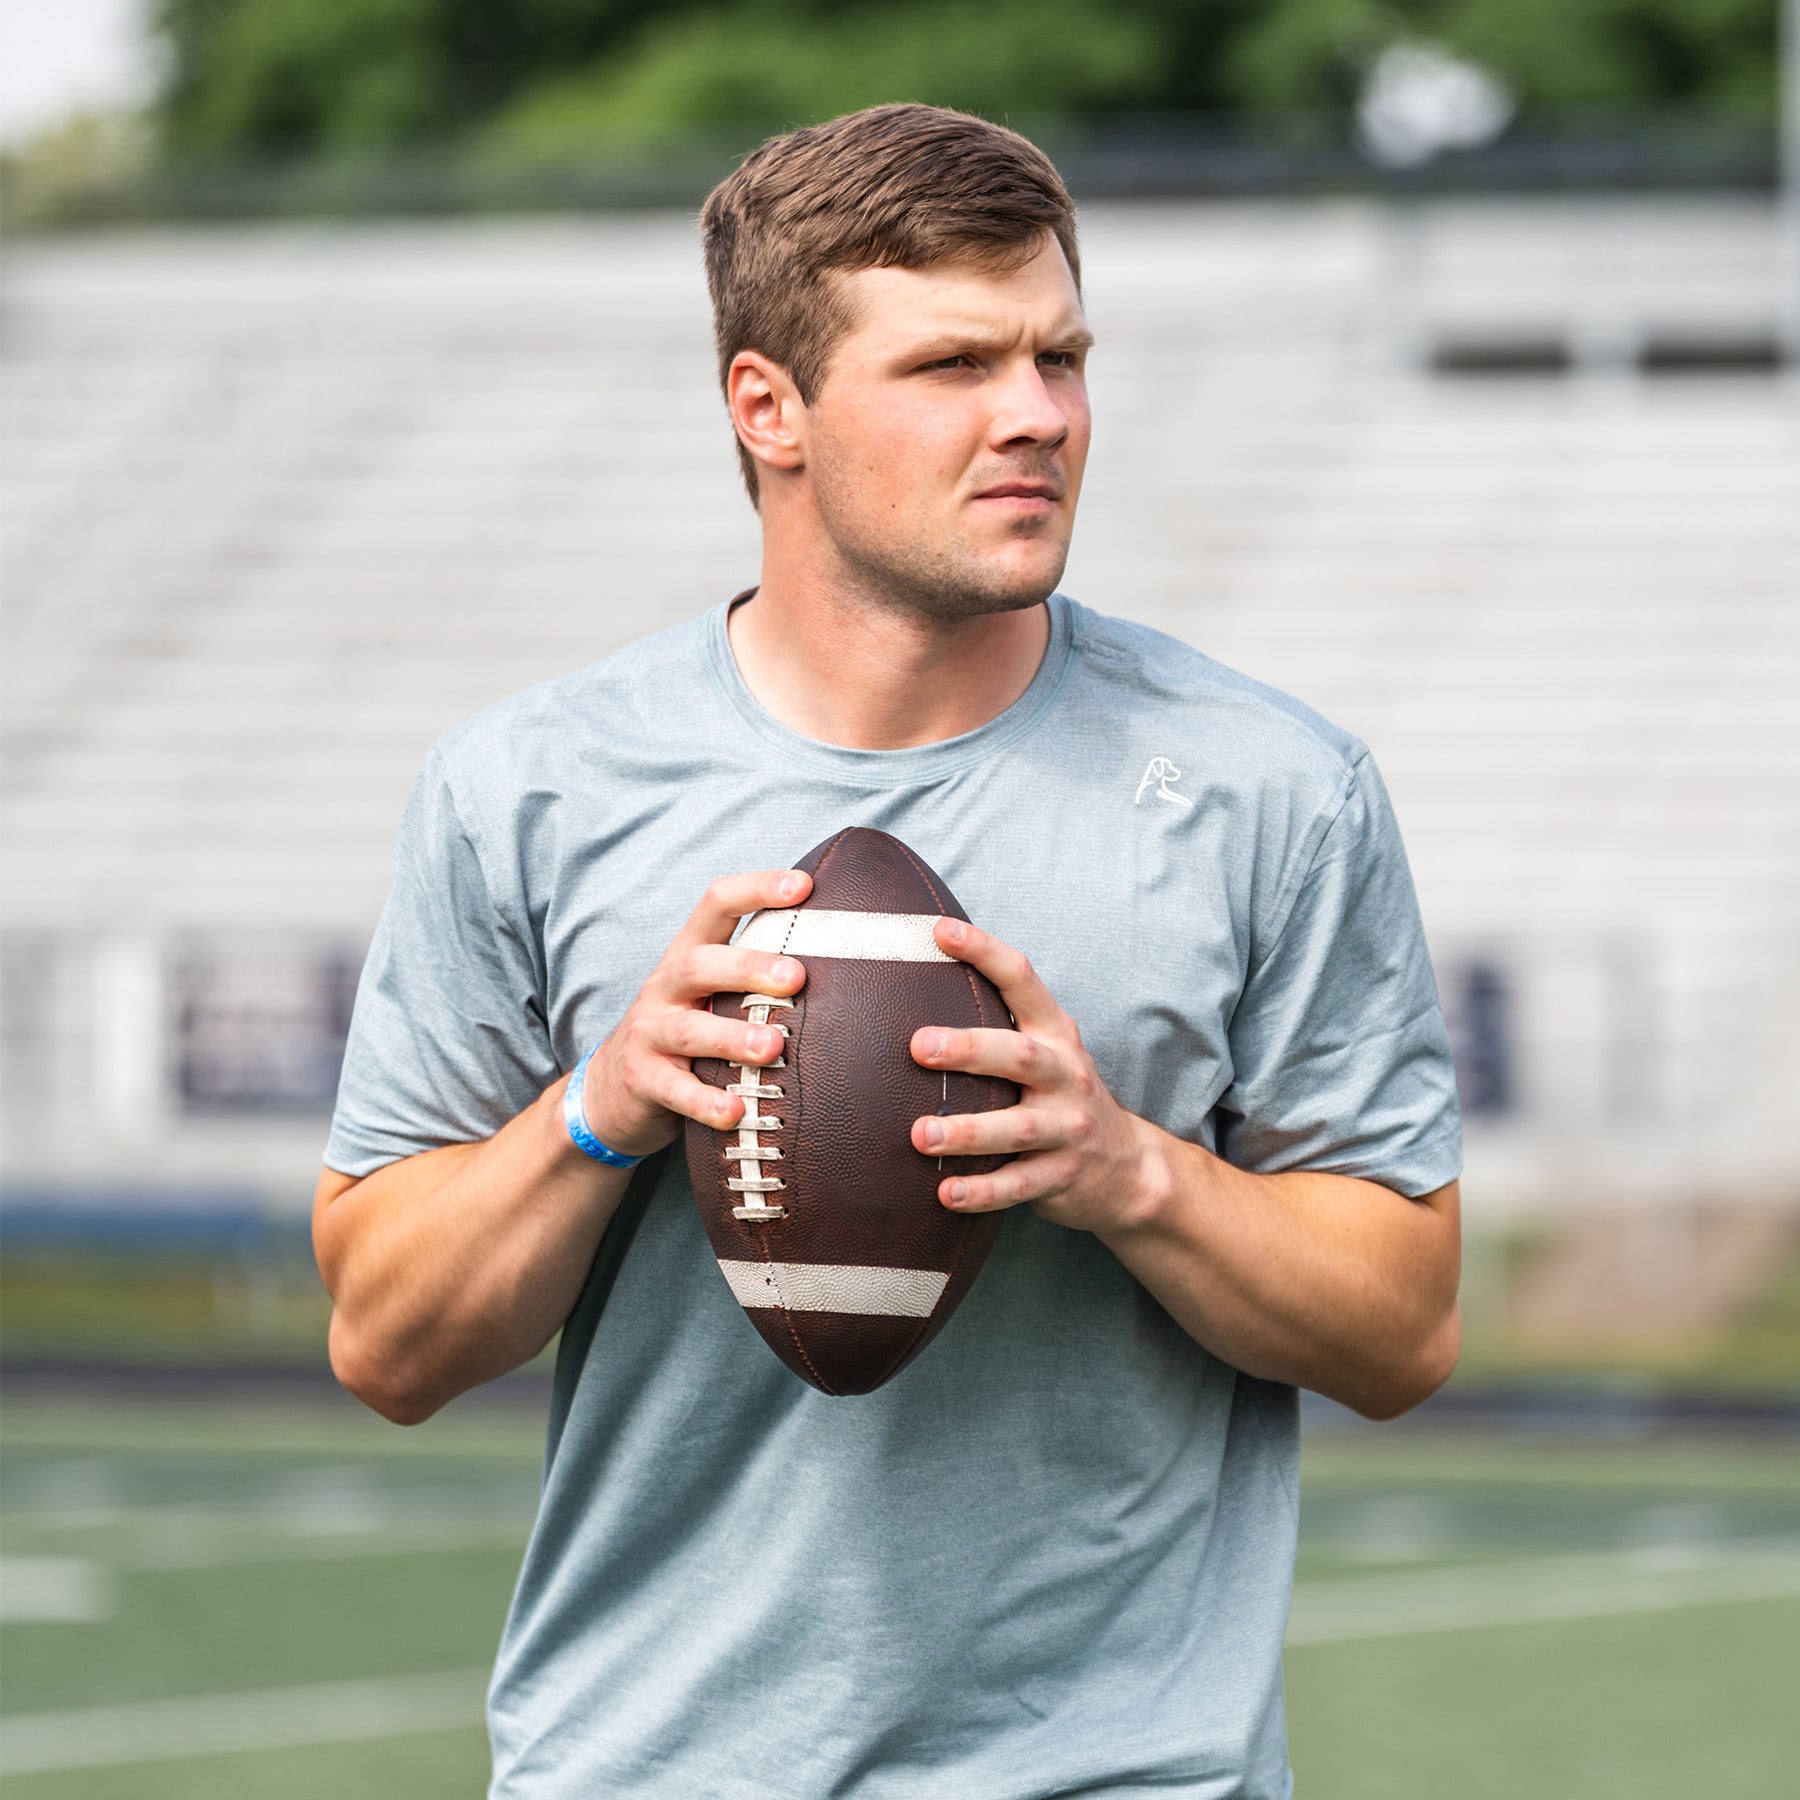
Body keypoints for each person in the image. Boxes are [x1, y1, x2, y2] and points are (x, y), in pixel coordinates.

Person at [314, 102, 1462, 1800]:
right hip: (651, 1767)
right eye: (954, 366)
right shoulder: (529, 788)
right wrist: (605, 1106)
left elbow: (1403, 1334)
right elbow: (387, 1350)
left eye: (1061, 358)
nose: (1039, 418)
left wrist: (1128, 1169)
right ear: (766, 407)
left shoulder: (1269, 788)